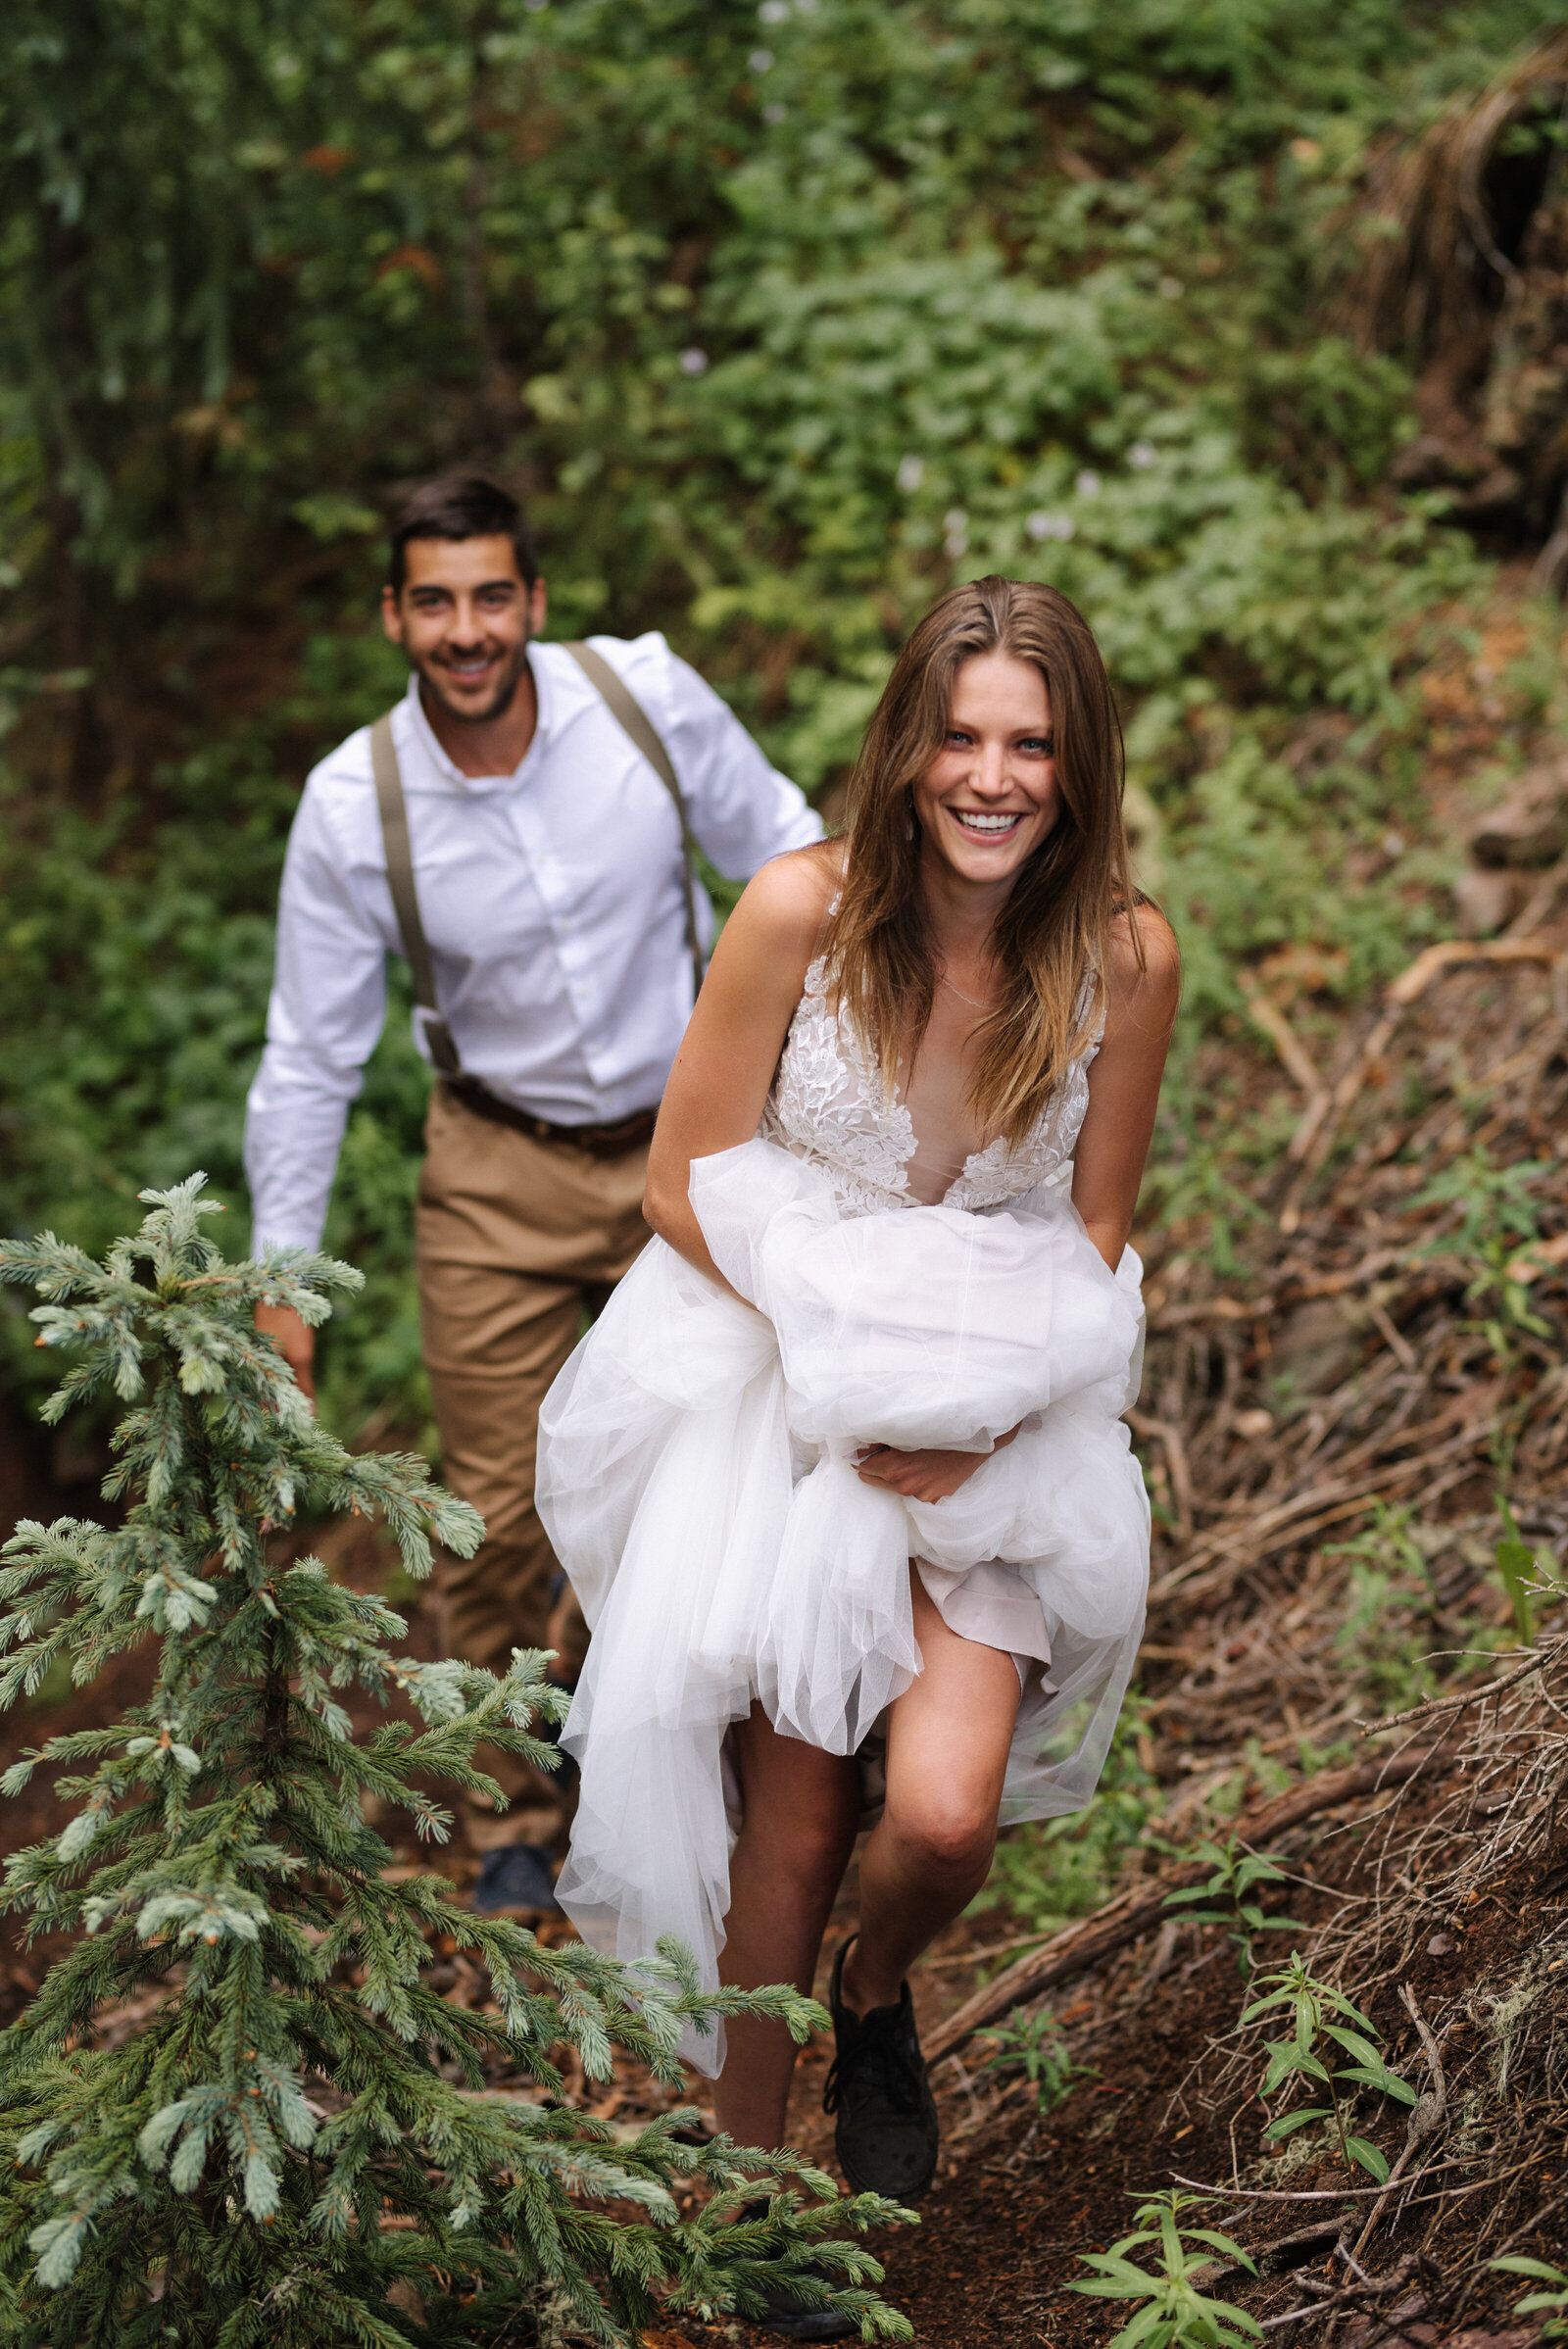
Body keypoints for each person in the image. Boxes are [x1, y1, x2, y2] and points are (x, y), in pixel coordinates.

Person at [536, 575, 1177, 2329]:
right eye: (962, 736)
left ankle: (875, 1992)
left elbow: (1102, 1235)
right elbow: (680, 1180)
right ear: (907, 749)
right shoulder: (799, 916)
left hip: (988, 1421)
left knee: (947, 1814)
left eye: (1031, 744)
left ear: (1076, 764)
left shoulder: (1122, 949)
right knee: (798, 1815)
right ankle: (753, 2213)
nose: (993, 775)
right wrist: (842, 1369)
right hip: (786, 1394)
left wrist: (988, 1416)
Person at [244, 475, 821, 1916]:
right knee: (496, 1512)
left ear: (535, 602)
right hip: (493, 1167)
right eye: (433, 601)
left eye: (490, 595)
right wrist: (280, 1283)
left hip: (689, 1141)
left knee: (707, 1462)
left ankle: (706, 1751)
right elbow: (311, 1057)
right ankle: (514, 1808)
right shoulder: (351, 805)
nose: (465, 629)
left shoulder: (643, 703)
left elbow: (793, 857)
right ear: (394, 616)